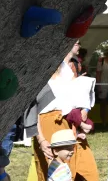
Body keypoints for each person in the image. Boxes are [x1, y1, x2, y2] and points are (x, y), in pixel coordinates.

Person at [29, 53, 99, 181]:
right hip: (46, 126)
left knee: (87, 170)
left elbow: (77, 99)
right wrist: (41, 140)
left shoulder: (65, 70)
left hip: (69, 124)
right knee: (54, 172)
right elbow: (32, 111)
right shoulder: (35, 76)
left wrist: (78, 122)